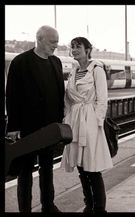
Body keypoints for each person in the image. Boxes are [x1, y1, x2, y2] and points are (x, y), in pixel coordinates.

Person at [5, 25, 64, 212]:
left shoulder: (56, 62)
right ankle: (25, 208)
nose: (56, 45)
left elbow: (58, 93)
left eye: (57, 41)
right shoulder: (21, 62)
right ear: (39, 39)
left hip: (49, 128)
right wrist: (13, 127)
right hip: (27, 128)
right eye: (52, 41)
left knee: (47, 169)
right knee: (25, 171)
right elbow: (11, 95)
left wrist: (60, 122)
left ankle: (48, 205)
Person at [60, 37, 113, 213]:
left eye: (78, 47)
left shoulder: (96, 69)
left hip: (90, 121)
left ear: (88, 49)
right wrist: (67, 116)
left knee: (92, 167)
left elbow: (102, 99)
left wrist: (96, 123)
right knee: (81, 167)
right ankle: (88, 204)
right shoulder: (73, 71)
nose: (74, 50)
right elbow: (68, 98)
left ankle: (99, 207)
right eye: (72, 47)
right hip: (75, 120)